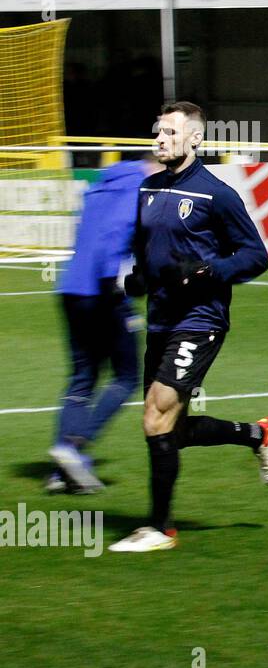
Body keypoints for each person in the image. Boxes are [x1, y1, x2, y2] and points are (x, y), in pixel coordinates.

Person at [108, 102, 268, 554]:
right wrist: (138, 280)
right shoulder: (147, 190)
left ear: (195, 139)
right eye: (158, 132)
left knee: (154, 416)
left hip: (200, 321)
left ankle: (159, 530)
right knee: (172, 430)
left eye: (169, 133)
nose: (160, 139)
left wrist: (210, 271)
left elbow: (255, 256)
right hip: (161, 319)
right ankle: (258, 434)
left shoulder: (216, 194)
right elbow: (145, 254)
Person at [47, 150, 162, 493]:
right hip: (103, 290)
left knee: (82, 377)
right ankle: (74, 447)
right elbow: (116, 234)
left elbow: (90, 230)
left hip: (71, 286)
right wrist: (120, 281)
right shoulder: (141, 189)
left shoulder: (103, 183)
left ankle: (59, 472)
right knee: (126, 377)